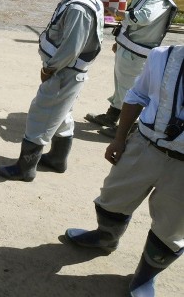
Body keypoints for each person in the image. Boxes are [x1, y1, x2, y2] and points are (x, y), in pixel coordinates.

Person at [65, 45, 184, 296]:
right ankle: (105, 238)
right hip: (145, 146)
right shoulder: (163, 56)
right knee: (112, 197)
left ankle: (144, 277)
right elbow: (137, 96)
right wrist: (119, 138)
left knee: (173, 226)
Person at [0, 0, 104, 181]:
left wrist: (50, 69)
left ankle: (25, 169)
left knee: (40, 115)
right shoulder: (82, 1)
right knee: (62, 115)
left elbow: (71, 47)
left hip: (64, 73)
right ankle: (57, 159)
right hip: (68, 72)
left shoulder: (78, 8)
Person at [86, 0, 176, 137]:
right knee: (121, 85)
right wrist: (120, 42)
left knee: (131, 90)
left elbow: (142, 18)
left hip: (138, 54)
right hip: (129, 48)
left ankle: (126, 129)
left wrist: (118, 13)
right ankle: (111, 116)